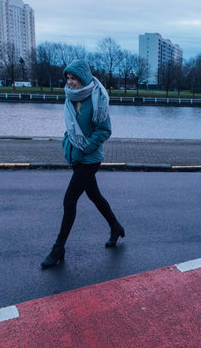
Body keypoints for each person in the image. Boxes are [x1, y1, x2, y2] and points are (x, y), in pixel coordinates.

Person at [41, 59, 125, 268]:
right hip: (77, 156)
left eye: (73, 78)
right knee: (94, 195)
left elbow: (105, 130)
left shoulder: (97, 99)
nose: (69, 82)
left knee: (69, 201)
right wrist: (69, 143)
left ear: (83, 79)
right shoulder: (70, 98)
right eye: (68, 78)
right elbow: (71, 126)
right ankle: (115, 226)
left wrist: (86, 146)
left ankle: (58, 248)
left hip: (90, 158)